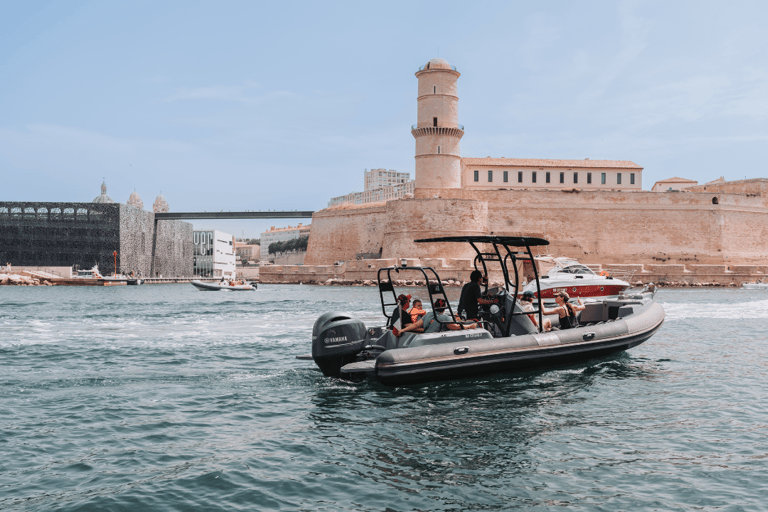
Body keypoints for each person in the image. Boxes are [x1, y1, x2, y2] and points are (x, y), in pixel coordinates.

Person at [394, 299, 477, 337]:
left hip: (426, 336)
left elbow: (415, 325)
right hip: (436, 339)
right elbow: (455, 327)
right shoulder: (444, 317)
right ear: (444, 308)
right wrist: (469, 326)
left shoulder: (428, 314)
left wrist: (402, 330)